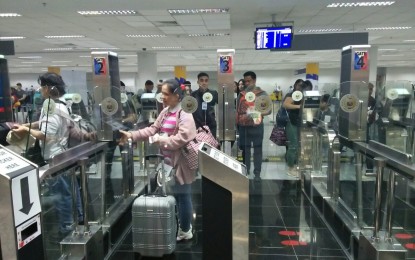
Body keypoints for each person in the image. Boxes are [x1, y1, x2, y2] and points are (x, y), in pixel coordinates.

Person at [119, 79, 197, 241]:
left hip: (181, 163)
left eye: (166, 94)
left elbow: (182, 138)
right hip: (167, 162)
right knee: (175, 195)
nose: (163, 97)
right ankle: (178, 225)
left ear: (177, 95)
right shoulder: (166, 111)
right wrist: (132, 135)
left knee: (183, 196)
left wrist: (161, 140)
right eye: (162, 94)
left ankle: (185, 230)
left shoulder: (184, 113)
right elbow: (152, 129)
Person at [12, 72, 83, 238]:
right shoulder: (61, 104)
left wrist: (26, 129)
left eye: (42, 86)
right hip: (64, 154)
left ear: (49, 88)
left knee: (62, 196)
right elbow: (50, 123)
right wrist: (29, 124)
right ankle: (79, 218)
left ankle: (66, 229)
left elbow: (46, 134)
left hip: (54, 157)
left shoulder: (51, 107)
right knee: (72, 190)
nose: (40, 89)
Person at [236, 71, 271, 180]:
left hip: (257, 127)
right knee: (245, 150)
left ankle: (257, 173)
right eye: (245, 81)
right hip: (243, 127)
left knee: (257, 150)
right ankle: (245, 171)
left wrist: (255, 113)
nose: (247, 83)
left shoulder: (262, 94)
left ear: (254, 80)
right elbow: (237, 110)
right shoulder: (241, 94)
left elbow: (268, 110)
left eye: (249, 81)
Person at [283, 79, 305, 178]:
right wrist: (299, 106)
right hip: (292, 123)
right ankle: (290, 167)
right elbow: (285, 105)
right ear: (295, 85)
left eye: (302, 86)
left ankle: (296, 166)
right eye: (298, 85)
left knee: (299, 146)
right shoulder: (291, 94)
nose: (300, 87)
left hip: (302, 123)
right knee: (293, 145)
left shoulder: (304, 95)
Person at [191, 72, 218, 137]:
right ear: (198, 82)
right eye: (201, 80)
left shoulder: (213, 93)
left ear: (208, 82)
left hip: (211, 125)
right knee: (198, 145)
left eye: (206, 80)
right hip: (197, 125)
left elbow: (220, 105)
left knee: (211, 145)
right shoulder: (193, 94)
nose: (204, 83)